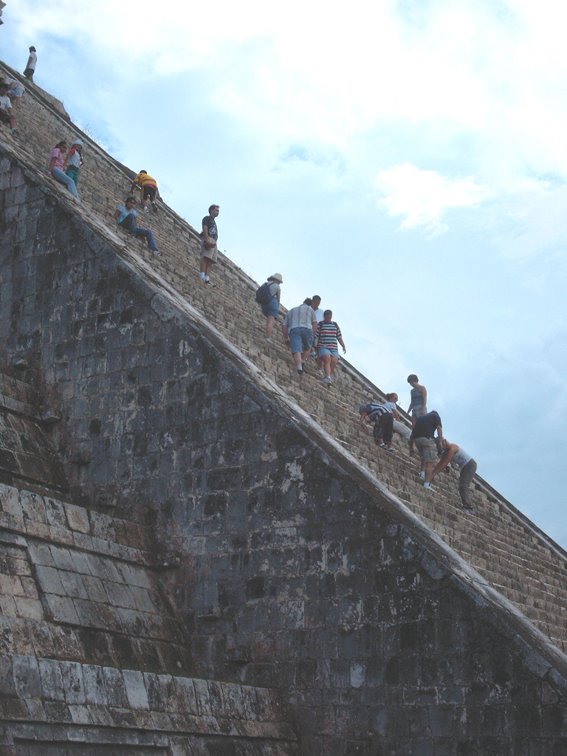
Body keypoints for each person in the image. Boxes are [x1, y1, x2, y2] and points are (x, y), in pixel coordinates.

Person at [431, 440, 477, 512]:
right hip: (464, 466)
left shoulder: (452, 448)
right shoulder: (446, 451)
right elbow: (442, 462)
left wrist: (432, 474)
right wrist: (434, 473)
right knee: (462, 484)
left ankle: (468, 506)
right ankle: (467, 505)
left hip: (470, 465)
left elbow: (443, 463)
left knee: (463, 485)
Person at [282, 298, 318, 376]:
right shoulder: (310, 309)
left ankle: (299, 367)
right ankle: (303, 361)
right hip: (307, 329)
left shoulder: (291, 310)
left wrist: (285, 337)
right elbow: (315, 323)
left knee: (296, 349)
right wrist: (313, 335)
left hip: (294, 329)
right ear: (310, 304)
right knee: (308, 347)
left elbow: (284, 325)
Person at [409, 410, 443, 489]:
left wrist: (411, 448)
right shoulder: (436, 416)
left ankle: (422, 473)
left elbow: (413, 432)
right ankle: (427, 484)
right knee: (429, 462)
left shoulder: (421, 418)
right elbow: (439, 429)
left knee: (425, 456)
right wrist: (440, 442)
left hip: (417, 440)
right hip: (426, 439)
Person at [316, 310, 346, 385]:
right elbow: (316, 335)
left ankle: (327, 376)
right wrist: (315, 345)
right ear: (324, 317)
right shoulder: (321, 324)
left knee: (334, 361)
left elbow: (339, 336)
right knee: (327, 358)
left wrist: (343, 345)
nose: (329, 319)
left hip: (334, 348)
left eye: (330, 317)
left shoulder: (335, 325)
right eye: (327, 317)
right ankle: (328, 377)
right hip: (323, 346)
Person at [257, 273, 283, 339]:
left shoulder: (265, 284)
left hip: (264, 303)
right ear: (277, 280)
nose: (279, 283)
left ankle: (261, 328)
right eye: (279, 282)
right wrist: (277, 308)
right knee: (271, 320)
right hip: (272, 303)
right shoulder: (277, 286)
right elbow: (278, 299)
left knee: (267, 319)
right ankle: (268, 337)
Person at [200, 204, 219, 285]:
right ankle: (202, 276)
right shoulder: (207, 218)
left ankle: (207, 278)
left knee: (211, 260)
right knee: (205, 258)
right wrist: (207, 238)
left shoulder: (214, 221)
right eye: (216, 210)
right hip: (209, 238)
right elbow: (205, 228)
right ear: (211, 210)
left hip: (214, 241)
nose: (218, 212)